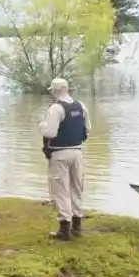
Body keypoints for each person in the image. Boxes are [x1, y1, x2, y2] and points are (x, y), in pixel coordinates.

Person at [40, 77, 90, 241]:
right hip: (77, 152)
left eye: (52, 91)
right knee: (76, 188)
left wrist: (41, 126)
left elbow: (50, 133)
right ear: (67, 89)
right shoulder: (81, 106)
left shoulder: (56, 108)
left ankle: (64, 228)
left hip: (59, 153)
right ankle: (77, 225)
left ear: (55, 91)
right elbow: (87, 130)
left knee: (61, 190)